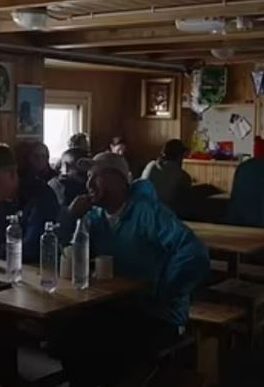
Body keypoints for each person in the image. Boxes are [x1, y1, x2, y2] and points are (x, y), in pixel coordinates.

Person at [59, 152, 210, 387]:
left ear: (119, 180)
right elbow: (65, 252)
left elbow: (194, 254)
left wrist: (163, 293)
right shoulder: (95, 217)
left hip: (156, 315)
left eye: (96, 176)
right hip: (115, 307)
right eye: (87, 177)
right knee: (67, 338)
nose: (88, 184)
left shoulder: (149, 213)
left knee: (108, 350)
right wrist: (70, 217)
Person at [141, 139, 193, 215]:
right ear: (179, 156)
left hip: (142, 210)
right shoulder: (181, 175)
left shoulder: (150, 165)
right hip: (162, 214)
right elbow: (187, 198)